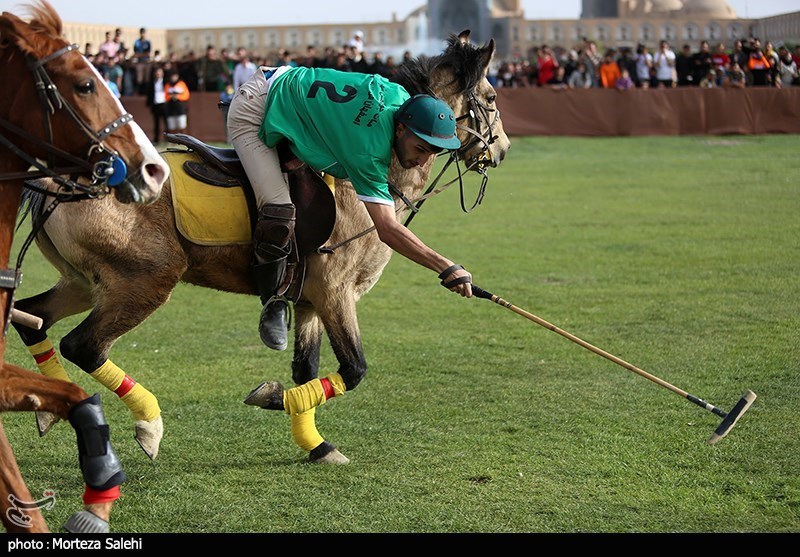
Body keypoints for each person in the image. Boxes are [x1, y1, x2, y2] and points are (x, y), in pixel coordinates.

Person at [227, 65, 472, 350]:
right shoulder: (367, 151)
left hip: (295, 95)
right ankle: (273, 299)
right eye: (420, 149)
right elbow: (388, 229)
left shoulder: (400, 96)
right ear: (401, 128)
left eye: (432, 153)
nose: (421, 162)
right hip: (255, 107)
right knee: (279, 207)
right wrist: (445, 266)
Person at [145, 66, 168, 143]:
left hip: (164, 104)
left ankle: (168, 139)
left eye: (159, 73)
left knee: (166, 123)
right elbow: (149, 94)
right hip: (156, 105)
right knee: (156, 123)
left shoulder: (166, 82)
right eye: (157, 73)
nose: (158, 74)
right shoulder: (152, 83)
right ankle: (156, 139)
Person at [164, 69, 190, 134]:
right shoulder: (167, 85)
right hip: (170, 108)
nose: (173, 78)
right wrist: (170, 97)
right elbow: (165, 96)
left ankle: (184, 140)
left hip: (180, 107)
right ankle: (173, 142)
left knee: (182, 125)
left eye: (174, 76)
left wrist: (178, 97)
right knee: (172, 126)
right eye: (172, 76)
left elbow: (186, 95)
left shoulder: (181, 84)